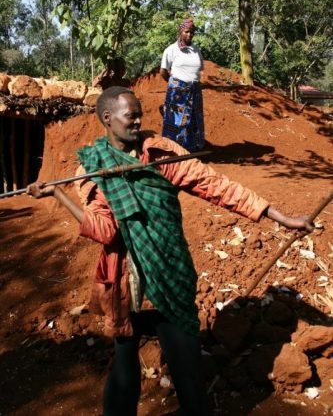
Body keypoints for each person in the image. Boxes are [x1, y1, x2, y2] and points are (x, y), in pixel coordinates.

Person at [27, 87, 312, 416]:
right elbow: (105, 231)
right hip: (127, 282)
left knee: (187, 368)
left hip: (170, 272)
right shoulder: (92, 168)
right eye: (129, 116)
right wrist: (57, 196)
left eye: (139, 115)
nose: (138, 122)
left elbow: (216, 186)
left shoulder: (161, 153)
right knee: (124, 369)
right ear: (107, 119)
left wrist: (282, 218)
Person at [160, 18, 205, 152]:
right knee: (176, 121)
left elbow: (200, 69)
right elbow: (163, 71)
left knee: (195, 120)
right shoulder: (171, 50)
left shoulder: (196, 50)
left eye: (192, 32)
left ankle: (193, 149)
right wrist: (175, 85)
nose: (189, 35)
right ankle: (174, 149)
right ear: (181, 31)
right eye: (186, 32)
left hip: (194, 90)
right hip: (178, 92)